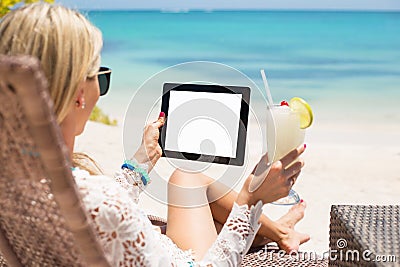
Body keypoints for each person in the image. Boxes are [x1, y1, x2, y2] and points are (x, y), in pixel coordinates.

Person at [0, 3, 309, 265]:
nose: (100, 89)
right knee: (195, 187)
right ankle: (279, 232)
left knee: (186, 178)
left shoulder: (16, 182)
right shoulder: (100, 200)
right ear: (80, 94)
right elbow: (107, 212)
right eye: (100, 77)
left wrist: (139, 164)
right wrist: (251, 200)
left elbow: (99, 216)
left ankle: (279, 232)